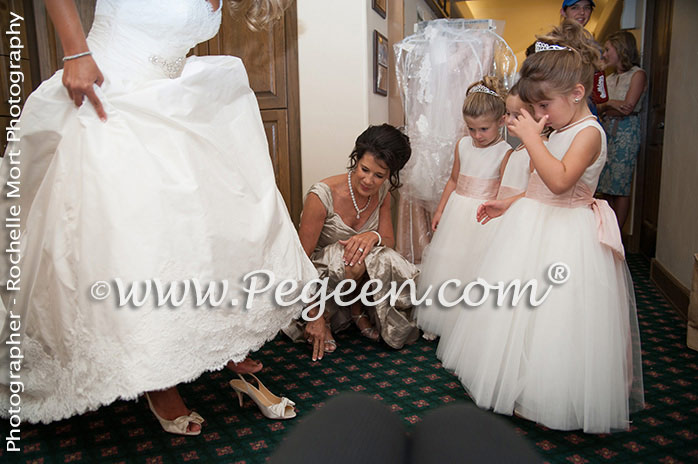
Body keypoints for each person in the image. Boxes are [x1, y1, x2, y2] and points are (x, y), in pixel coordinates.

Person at [0, 0, 318, 434]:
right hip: (109, 98)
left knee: (200, 237)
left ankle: (215, 339)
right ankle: (158, 379)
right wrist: (76, 52)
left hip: (169, 103)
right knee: (140, 241)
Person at [439, 20, 644, 433]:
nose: (538, 115)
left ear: (577, 93)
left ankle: (549, 396)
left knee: (556, 317)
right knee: (519, 312)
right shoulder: (559, 126)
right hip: (535, 221)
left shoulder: (589, 133)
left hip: (568, 236)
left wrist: (532, 137)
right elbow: (539, 186)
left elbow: (561, 180)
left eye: (544, 106)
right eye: (534, 108)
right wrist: (508, 204)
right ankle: (516, 383)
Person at [288, 124, 419, 362]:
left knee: (385, 255)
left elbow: (388, 242)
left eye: (379, 175)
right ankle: (325, 319)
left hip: (353, 282)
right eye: (364, 169)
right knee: (351, 256)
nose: (369, 180)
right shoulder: (321, 195)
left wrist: (373, 236)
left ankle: (357, 310)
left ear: (390, 175)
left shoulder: (383, 193)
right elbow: (300, 260)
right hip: (319, 279)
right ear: (355, 160)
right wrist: (314, 314)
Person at [415, 77, 512, 340]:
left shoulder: (505, 152)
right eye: (471, 129)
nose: (477, 136)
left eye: (483, 129)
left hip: (483, 218)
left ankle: (465, 325)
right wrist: (440, 211)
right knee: (449, 264)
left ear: (501, 121)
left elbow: (503, 192)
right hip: (457, 213)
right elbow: (454, 180)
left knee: (474, 267)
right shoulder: (462, 145)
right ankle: (440, 320)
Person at [596, 31, 647, 228]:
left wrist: (607, 105)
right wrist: (609, 104)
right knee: (605, 185)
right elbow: (598, 106)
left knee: (620, 185)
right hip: (606, 130)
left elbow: (628, 107)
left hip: (626, 133)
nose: (605, 54)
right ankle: (605, 230)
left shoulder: (637, 75)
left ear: (620, 49)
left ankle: (618, 236)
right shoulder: (607, 79)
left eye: (608, 50)